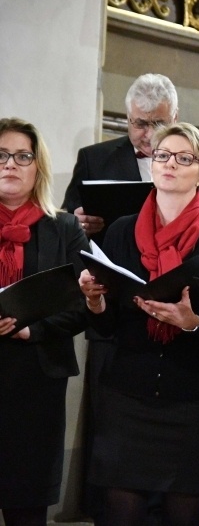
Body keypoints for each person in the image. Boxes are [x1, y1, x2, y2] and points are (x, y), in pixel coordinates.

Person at [78, 122, 199, 526]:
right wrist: (94, 300)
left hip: (193, 393)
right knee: (122, 512)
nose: (171, 164)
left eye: (184, 158)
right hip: (127, 390)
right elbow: (106, 327)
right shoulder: (121, 231)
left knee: (181, 512)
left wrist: (192, 323)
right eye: (163, 156)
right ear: (152, 165)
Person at [0, 117, 89, 525]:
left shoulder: (64, 228)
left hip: (36, 382)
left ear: (38, 166)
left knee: (26, 507)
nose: (10, 164)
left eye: (22, 156)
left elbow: (82, 304)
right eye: (1, 156)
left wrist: (33, 327)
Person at [62, 73, 199, 241]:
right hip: (116, 263)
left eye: (160, 123)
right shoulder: (93, 160)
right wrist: (78, 225)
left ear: (175, 117)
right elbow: (66, 222)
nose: (151, 134)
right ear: (128, 118)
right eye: (141, 124)